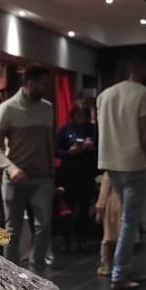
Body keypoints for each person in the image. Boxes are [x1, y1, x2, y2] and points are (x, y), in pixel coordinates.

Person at [97, 56, 146, 290]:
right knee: (130, 222)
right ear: (137, 68)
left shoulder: (105, 95)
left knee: (127, 220)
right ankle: (119, 273)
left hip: (111, 163)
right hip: (135, 163)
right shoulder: (145, 95)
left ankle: (122, 268)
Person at [0, 64, 57, 271]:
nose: (47, 88)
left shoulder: (47, 108)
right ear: (30, 84)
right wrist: (9, 168)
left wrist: (52, 174)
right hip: (15, 178)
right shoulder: (7, 108)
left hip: (42, 178)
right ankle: (12, 277)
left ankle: (37, 271)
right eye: (43, 84)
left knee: (44, 225)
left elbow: (49, 142)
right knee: (13, 230)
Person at [56, 103, 98, 252]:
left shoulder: (93, 129)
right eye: (77, 114)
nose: (80, 118)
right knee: (67, 209)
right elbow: (56, 151)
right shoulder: (64, 130)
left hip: (86, 173)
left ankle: (83, 240)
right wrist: (69, 151)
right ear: (73, 115)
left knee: (84, 209)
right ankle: (66, 240)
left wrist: (91, 148)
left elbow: (100, 150)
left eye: (83, 115)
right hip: (69, 173)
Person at [94, 172, 123, 277]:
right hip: (123, 203)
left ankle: (106, 266)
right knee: (121, 237)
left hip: (111, 206)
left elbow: (104, 193)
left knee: (108, 238)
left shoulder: (109, 173)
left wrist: (99, 210)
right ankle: (120, 265)